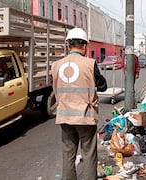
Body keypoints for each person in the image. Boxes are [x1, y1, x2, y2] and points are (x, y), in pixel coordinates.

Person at [51, 27, 107, 180]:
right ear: (84, 46)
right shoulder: (90, 63)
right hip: (85, 116)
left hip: (64, 116)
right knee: (88, 154)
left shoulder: (56, 65)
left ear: (68, 45)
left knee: (68, 154)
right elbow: (103, 86)